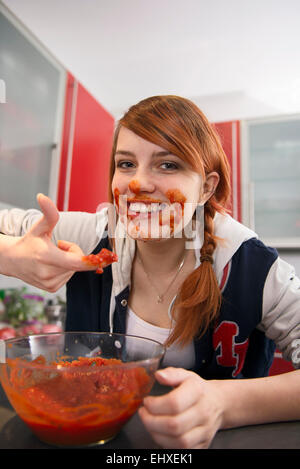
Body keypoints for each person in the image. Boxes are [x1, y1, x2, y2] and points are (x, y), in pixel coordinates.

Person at [1, 95, 300, 449]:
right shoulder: (96, 233)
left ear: (206, 187)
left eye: (168, 165)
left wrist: (224, 404)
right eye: (126, 163)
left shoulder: (252, 266)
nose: (138, 183)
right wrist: (8, 256)